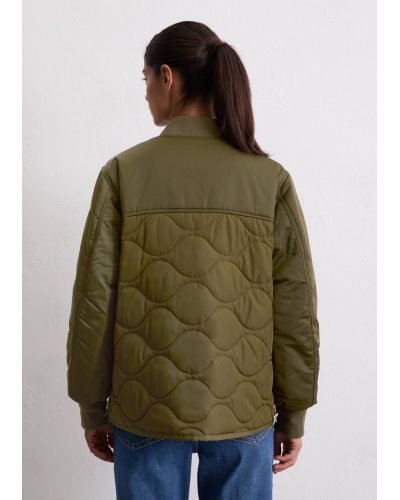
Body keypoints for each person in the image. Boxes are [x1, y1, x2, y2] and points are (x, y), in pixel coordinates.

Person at [66, 20, 320, 500]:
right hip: (243, 410)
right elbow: (295, 306)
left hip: (144, 409)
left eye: (145, 79)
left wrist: (92, 407)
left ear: (167, 76)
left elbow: (94, 301)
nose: (145, 93)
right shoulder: (269, 179)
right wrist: (293, 412)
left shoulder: (122, 173)